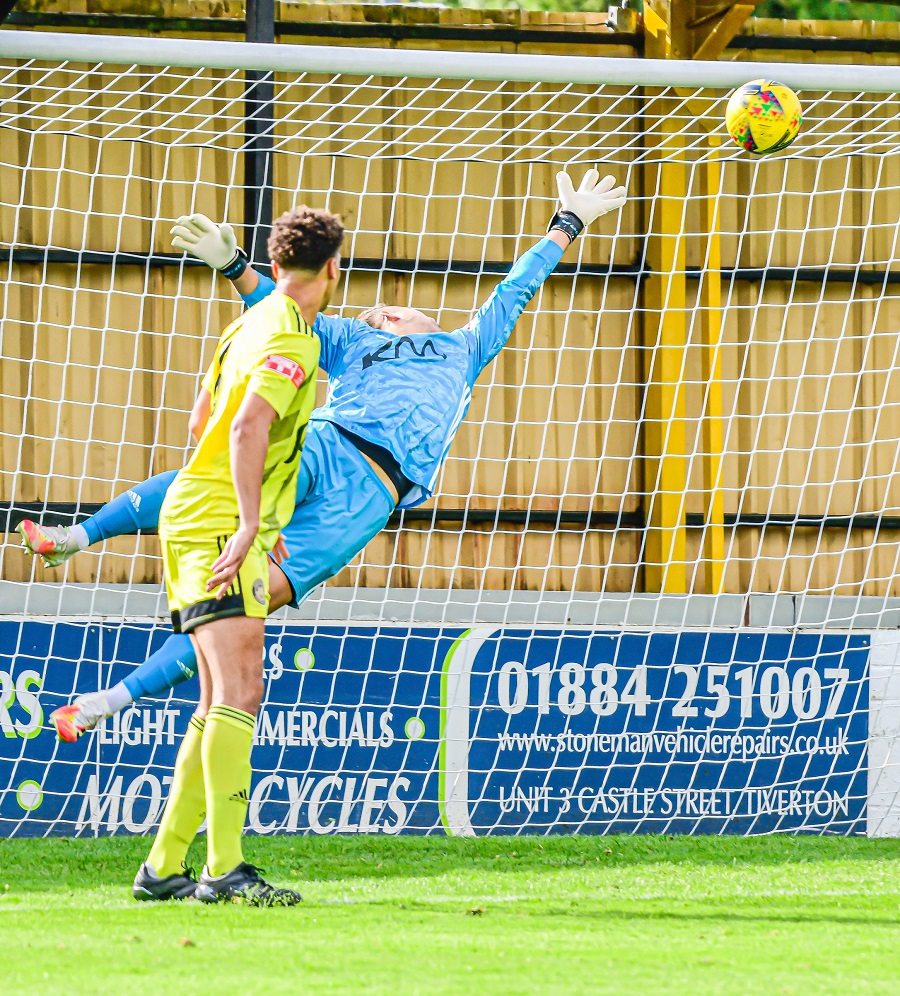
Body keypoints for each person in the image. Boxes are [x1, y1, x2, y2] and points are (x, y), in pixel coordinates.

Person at [20, 169, 626, 745]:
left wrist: (567, 221)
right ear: (389, 319)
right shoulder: (357, 338)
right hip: (326, 443)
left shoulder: (464, 348)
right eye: (397, 306)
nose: (408, 308)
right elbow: (281, 307)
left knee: (240, 603)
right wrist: (232, 265)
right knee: (208, 483)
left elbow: (516, 288)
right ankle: (74, 536)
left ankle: (104, 704)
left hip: (370, 497)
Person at [131, 205, 341, 906]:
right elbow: (251, 424)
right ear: (334, 268)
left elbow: (201, 419)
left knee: (219, 696)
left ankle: (164, 868)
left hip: (198, 511)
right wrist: (249, 520)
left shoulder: (247, 323)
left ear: (276, 266)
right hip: (220, 520)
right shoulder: (295, 338)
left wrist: (243, 508)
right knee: (242, 692)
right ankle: (224, 870)